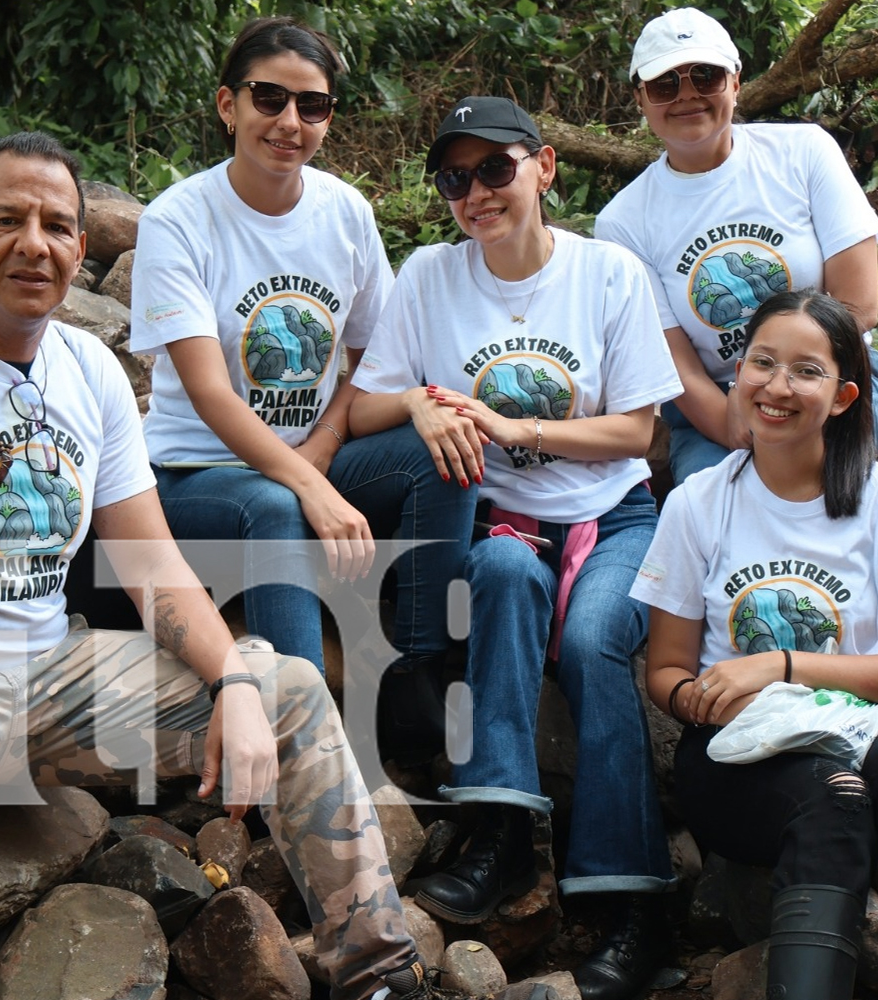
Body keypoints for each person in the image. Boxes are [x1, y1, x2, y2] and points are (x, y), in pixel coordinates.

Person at [0, 131, 553, 1000]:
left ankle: (378, 974)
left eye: (56, 226)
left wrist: (233, 679)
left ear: (81, 248)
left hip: (41, 677)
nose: (34, 244)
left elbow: (151, 565)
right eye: (7, 221)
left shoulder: (88, 373)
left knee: (287, 688)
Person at [348, 96, 683, 1000]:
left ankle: (633, 903)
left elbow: (638, 431)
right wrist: (417, 403)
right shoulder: (430, 275)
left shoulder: (607, 272)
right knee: (498, 572)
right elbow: (365, 407)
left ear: (544, 167)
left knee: (594, 640)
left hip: (613, 518)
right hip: (500, 521)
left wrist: (512, 426)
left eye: (495, 169)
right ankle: (499, 832)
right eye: (456, 179)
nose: (477, 194)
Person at [129, 16, 474, 764]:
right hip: (197, 474)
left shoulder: (344, 212)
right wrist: (307, 483)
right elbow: (211, 394)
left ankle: (414, 676)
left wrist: (322, 446)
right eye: (270, 98)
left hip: (313, 457)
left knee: (442, 447)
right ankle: (307, 748)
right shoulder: (178, 220)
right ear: (228, 106)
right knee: (275, 504)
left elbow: (374, 364)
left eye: (311, 105)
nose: (289, 121)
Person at [633, 290, 878, 1000]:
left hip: (863, 736)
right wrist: (702, 698)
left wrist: (782, 665)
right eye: (762, 363)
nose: (777, 386)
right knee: (833, 799)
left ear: (845, 395)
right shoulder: (698, 502)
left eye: (806, 371)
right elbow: (664, 671)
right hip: (739, 757)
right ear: (738, 374)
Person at [595, 6, 878, 488]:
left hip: (835, 381)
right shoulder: (623, 222)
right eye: (664, 85)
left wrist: (780, 391)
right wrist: (735, 421)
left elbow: (859, 307)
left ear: (736, 82)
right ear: (640, 99)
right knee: (718, 497)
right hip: (720, 401)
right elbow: (675, 362)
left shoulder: (805, 152)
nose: (687, 95)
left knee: (816, 474)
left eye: (705, 76)